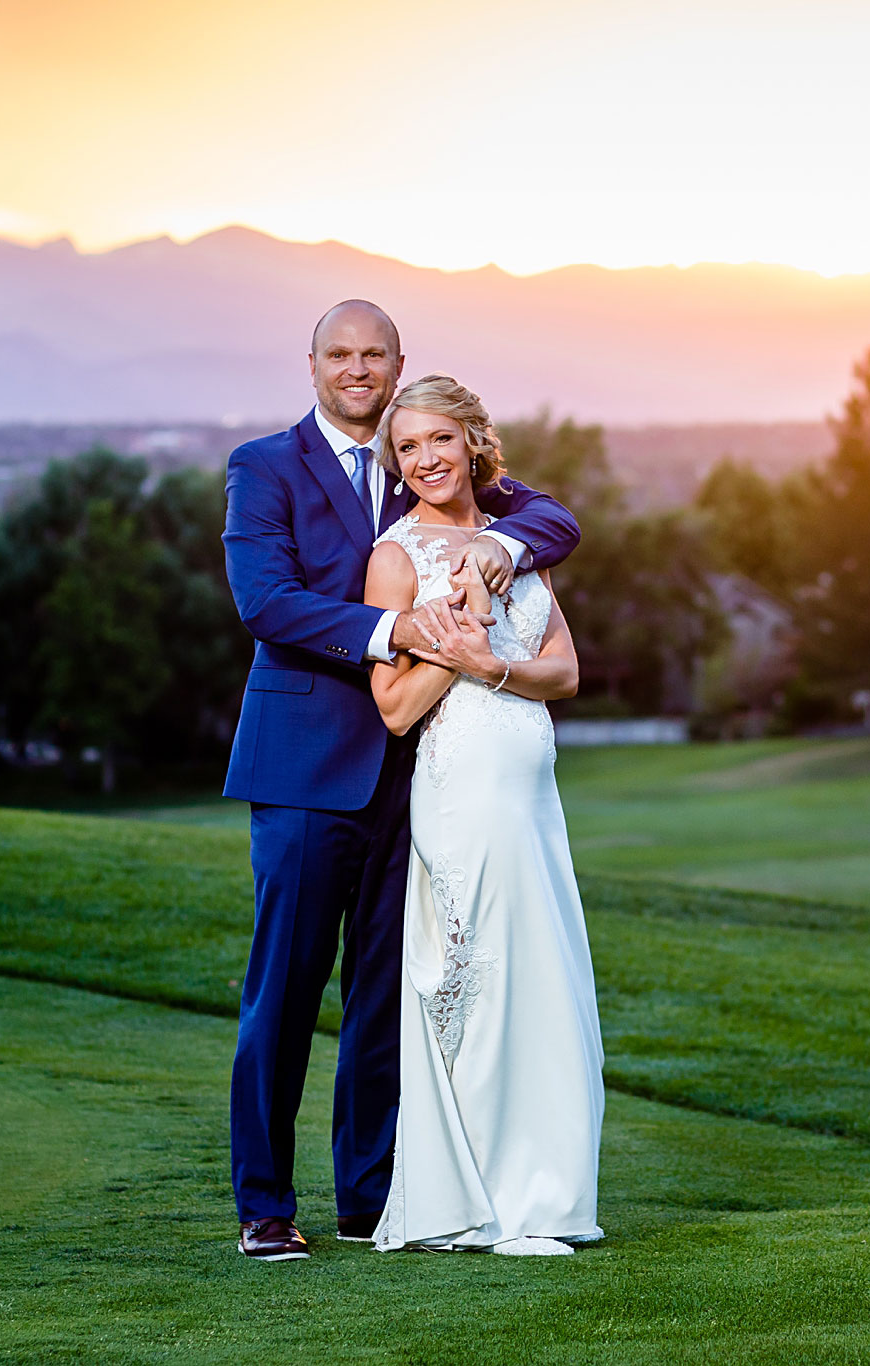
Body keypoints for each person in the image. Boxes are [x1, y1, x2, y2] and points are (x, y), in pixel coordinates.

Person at [221, 302, 581, 1261]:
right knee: (286, 989)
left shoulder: (422, 457)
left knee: (389, 990)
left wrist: (499, 550)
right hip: (306, 768)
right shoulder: (265, 467)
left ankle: (370, 1195)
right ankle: (264, 1204)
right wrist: (398, 632)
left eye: (373, 353)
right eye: (339, 353)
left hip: (418, 779)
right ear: (311, 365)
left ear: (399, 364)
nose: (357, 367)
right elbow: (265, 601)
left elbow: (553, 516)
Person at [362, 374, 603, 1255]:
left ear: (473, 442)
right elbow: (392, 708)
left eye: (439, 440)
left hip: (534, 803)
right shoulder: (396, 558)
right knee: (484, 983)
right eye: (408, 449)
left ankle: (550, 1195)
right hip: (461, 795)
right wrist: (458, 649)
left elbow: (564, 673)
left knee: (545, 982)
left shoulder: (514, 546)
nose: (425, 460)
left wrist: (491, 661)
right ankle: (488, 1203)